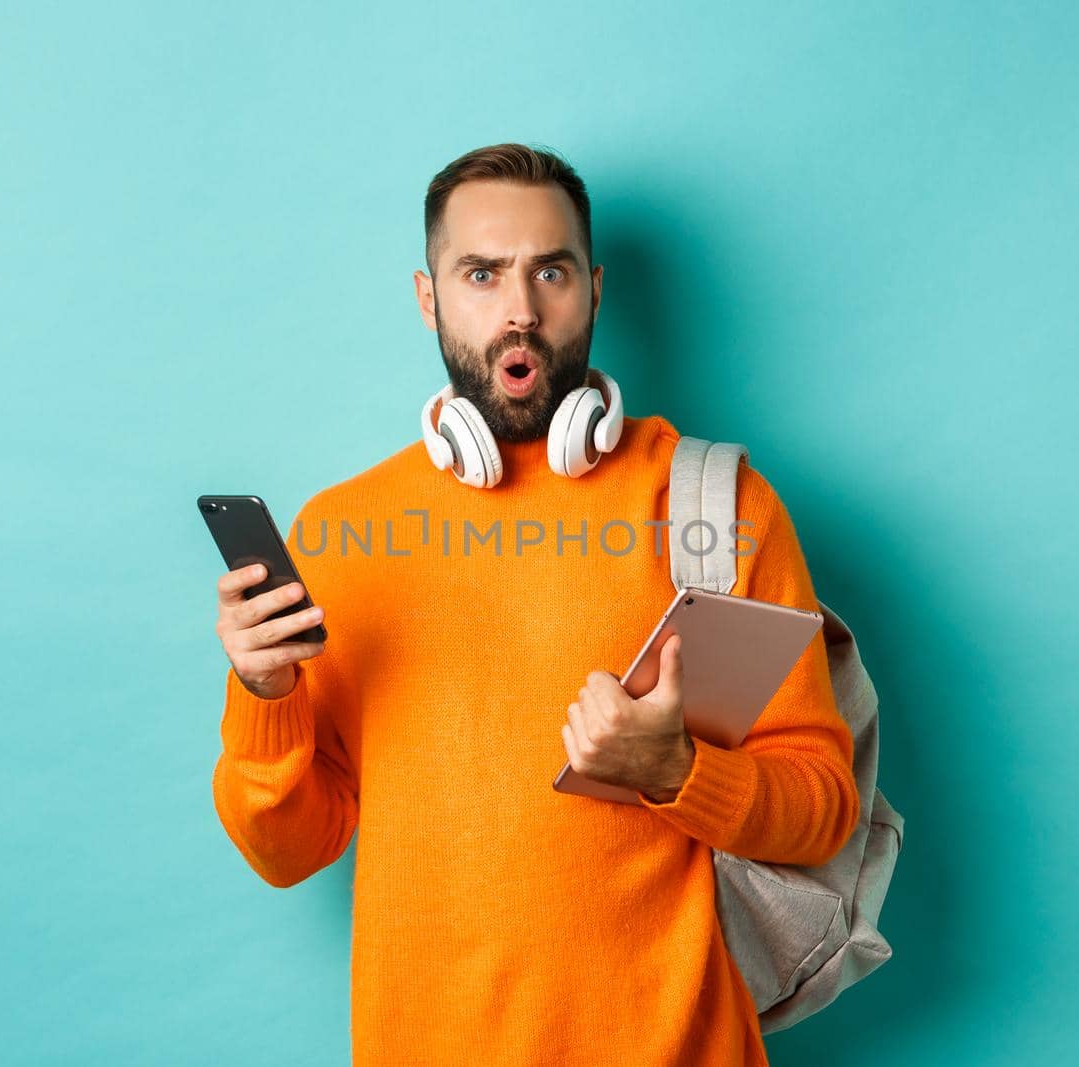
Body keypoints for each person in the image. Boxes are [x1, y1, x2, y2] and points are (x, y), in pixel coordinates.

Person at [211, 143, 859, 1066]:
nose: (519, 310)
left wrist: (676, 769)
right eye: (481, 273)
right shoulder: (341, 533)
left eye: (548, 271)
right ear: (429, 297)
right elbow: (287, 851)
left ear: (592, 288)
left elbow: (823, 808)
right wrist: (266, 695)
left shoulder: (713, 508)